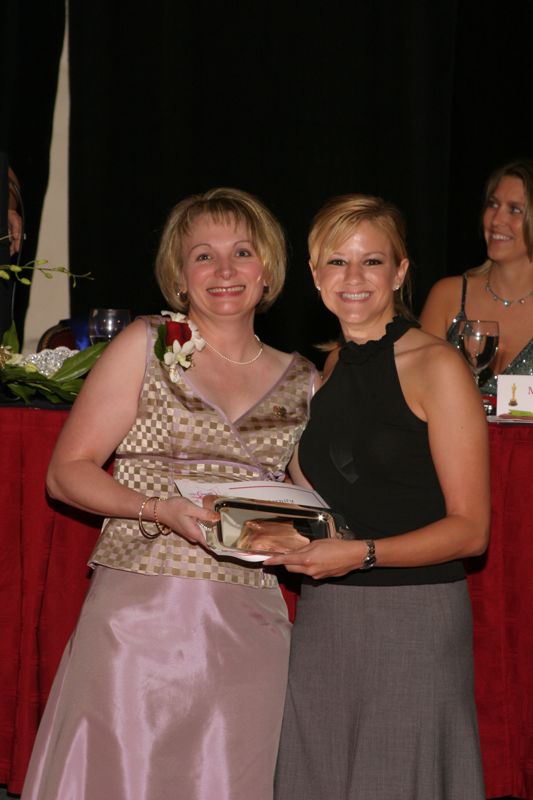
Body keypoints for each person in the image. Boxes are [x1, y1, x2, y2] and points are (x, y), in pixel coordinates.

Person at [21, 187, 317, 800]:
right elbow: (66, 471)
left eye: (242, 252)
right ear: (180, 278)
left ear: (268, 272)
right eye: (203, 256)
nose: (225, 270)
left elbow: (311, 511)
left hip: (249, 626)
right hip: (137, 620)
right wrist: (153, 510)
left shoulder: (306, 379)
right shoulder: (146, 344)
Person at [266, 194, 490, 800]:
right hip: (328, 616)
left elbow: (472, 531)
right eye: (337, 262)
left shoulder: (437, 365)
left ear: (400, 271)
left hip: (412, 617)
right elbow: (325, 503)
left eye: (372, 261)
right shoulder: (331, 369)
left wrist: (361, 554)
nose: (354, 278)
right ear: (314, 276)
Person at [419, 159, 533, 395]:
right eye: (493, 205)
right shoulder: (448, 296)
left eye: (514, 209)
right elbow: (416, 389)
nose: (496, 220)